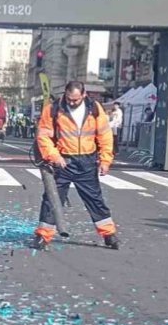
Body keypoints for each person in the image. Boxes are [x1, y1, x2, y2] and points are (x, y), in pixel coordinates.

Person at [32, 81, 117, 251]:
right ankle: (43, 235)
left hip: (87, 161)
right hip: (62, 161)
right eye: (69, 99)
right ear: (65, 94)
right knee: (52, 199)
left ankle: (109, 234)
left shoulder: (95, 109)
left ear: (84, 95)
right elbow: (44, 135)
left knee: (95, 199)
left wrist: (105, 160)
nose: (71, 103)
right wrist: (53, 156)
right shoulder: (53, 109)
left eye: (75, 100)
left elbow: (105, 135)